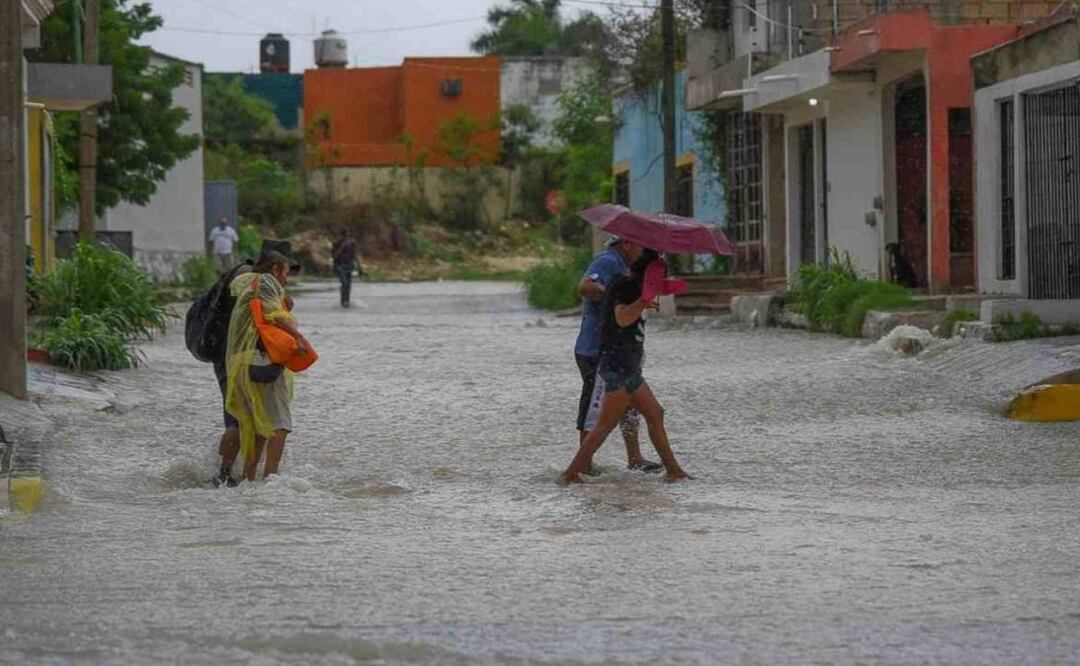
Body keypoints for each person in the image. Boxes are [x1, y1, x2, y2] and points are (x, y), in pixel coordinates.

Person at [561, 250, 691, 484]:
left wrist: (646, 299)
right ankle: (571, 474)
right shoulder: (625, 287)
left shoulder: (633, 287)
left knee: (655, 413)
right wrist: (641, 303)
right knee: (604, 425)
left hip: (629, 367)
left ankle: (674, 471)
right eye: (658, 277)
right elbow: (621, 318)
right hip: (618, 366)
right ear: (648, 276)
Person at [575, 235, 662, 473]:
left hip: (621, 352)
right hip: (597, 350)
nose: (643, 250)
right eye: (641, 244)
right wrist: (612, 294)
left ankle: (634, 457)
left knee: (629, 405)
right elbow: (584, 287)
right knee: (595, 408)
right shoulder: (608, 261)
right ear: (626, 243)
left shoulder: (626, 269)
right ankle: (583, 464)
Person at [225, 240, 310, 481]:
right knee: (280, 425)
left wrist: (284, 303)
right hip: (261, 361)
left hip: (240, 363)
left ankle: (249, 480)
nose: (287, 279)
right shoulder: (267, 282)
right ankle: (271, 482)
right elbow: (273, 317)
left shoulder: (245, 283)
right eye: (286, 272)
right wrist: (298, 337)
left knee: (257, 426)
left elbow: (261, 312)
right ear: (275, 269)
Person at [331, 228, 359, 308]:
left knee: (349, 285)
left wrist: (359, 266)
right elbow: (334, 256)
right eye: (344, 236)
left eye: (347, 236)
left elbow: (355, 255)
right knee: (344, 283)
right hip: (339, 266)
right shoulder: (336, 243)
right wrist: (342, 247)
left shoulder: (353, 243)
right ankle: (343, 301)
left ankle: (346, 301)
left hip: (349, 266)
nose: (346, 238)